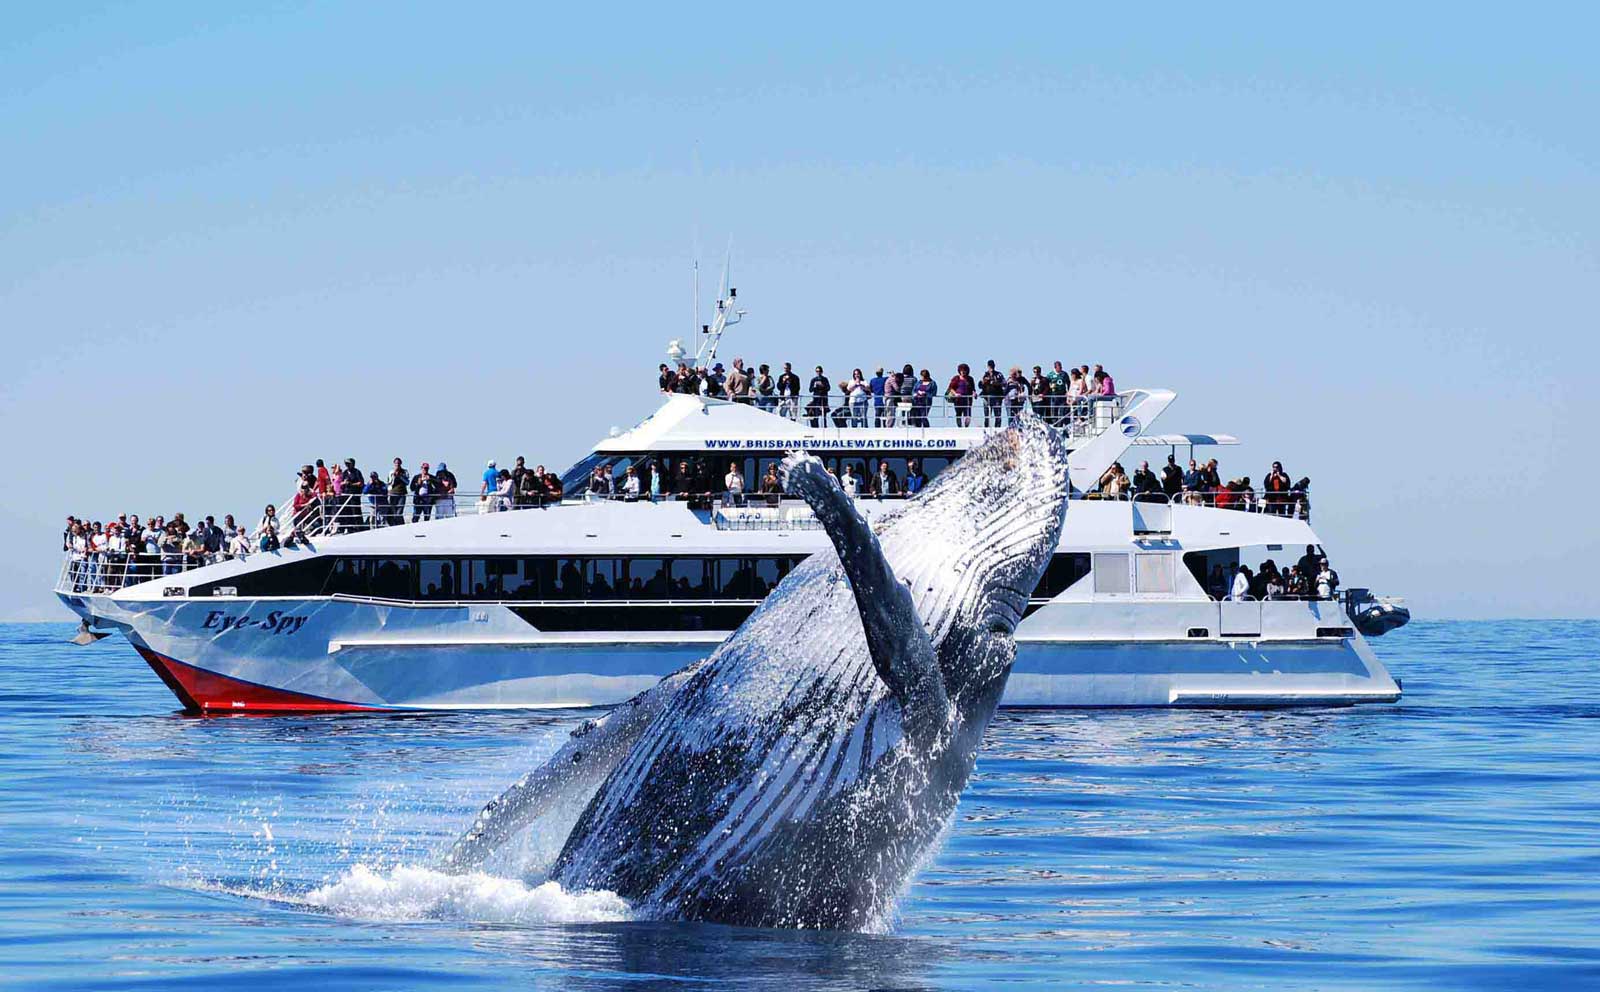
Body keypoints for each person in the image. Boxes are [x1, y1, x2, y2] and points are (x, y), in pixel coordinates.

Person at [978, 360, 1005, 428]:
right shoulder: (985, 375)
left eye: (992, 366)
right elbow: (979, 385)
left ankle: (997, 429)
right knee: (987, 415)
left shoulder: (999, 374)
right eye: (990, 366)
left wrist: (996, 383)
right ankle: (986, 428)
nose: (991, 367)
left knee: (998, 415)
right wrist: (984, 382)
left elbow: (1004, 383)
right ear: (987, 366)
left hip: (997, 397)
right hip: (986, 397)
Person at [386, 458, 410, 526]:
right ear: (394, 463)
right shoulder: (391, 472)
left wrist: (400, 476)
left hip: (402, 493)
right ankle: (396, 525)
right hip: (392, 493)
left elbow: (407, 482)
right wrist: (394, 476)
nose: (397, 464)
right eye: (396, 463)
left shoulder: (405, 471)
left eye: (398, 463)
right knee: (393, 511)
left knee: (399, 511)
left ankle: (399, 525)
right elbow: (389, 483)